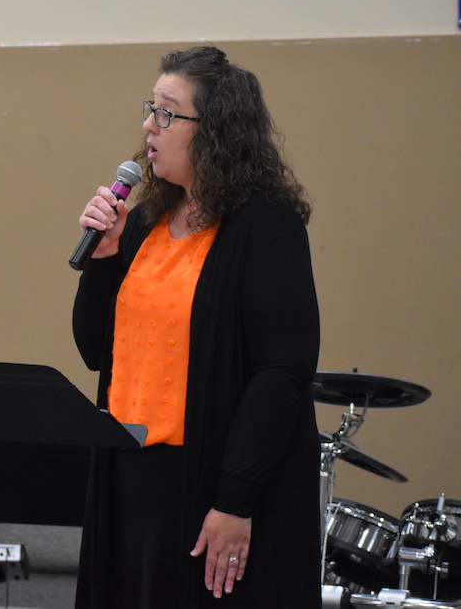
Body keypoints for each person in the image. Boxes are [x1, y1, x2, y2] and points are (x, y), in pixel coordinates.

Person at [72, 45, 321, 608]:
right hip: (130, 476)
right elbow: (94, 352)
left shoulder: (265, 226)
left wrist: (236, 500)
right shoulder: (144, 221)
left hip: (212, 479)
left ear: (216, 131)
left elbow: (282, 372)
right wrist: (103, 262)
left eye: (166, 112)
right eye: (150, 109)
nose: (148, 125)